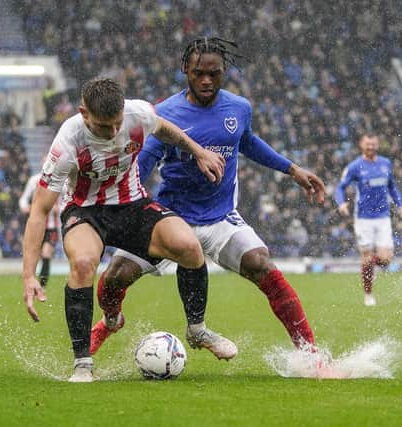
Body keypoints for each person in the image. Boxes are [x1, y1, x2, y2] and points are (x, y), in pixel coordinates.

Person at [89, 37, 328, 361]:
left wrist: (291, 169)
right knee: (115, 277)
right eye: (199, 73)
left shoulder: (239, 107)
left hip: (219, 218)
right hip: (169, 217)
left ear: (223, 71)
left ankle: (312, 356)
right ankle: (112, 320)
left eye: (214, 74)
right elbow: (144, 161)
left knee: (262, 264)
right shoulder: (166, 112)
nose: (206, 80)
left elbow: (248, 142)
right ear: (186, 69)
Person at [22, 77, 234, 383]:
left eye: (116, 124)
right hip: (85, 211)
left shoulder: (138, 114)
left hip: (132, 204)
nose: (112, 133)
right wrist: (29, 274)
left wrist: (198, 151)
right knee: (82, 265)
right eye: (102, 126)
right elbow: (39, 211)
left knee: (188, 246)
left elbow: (166, 129)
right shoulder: (67, 142)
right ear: (84, 113)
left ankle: (197, 330)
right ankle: (83, 363)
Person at [335, 133, 402, 306]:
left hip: (383, 217)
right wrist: (341, 204)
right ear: (362, 145)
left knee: (386, 260)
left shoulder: (386, 163)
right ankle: (368, 294)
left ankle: (368, 263)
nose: (371, 147)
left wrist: (400, 205)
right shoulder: (355, 166)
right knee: (367, 257)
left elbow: (392, 187)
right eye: (368, 144)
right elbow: (340, 187)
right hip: (363, 219)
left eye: (374, 144)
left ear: (378, 144)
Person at [19, 168, 60, 288]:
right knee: (34, 254)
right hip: (37, 225)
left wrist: (61, 209)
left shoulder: (60, 180)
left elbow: (66, 200)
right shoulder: (34, 180)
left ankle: (43, 285)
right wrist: (25, 208)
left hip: (52, 226)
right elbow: (23, 199)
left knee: (46, 254)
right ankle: (30, 280)